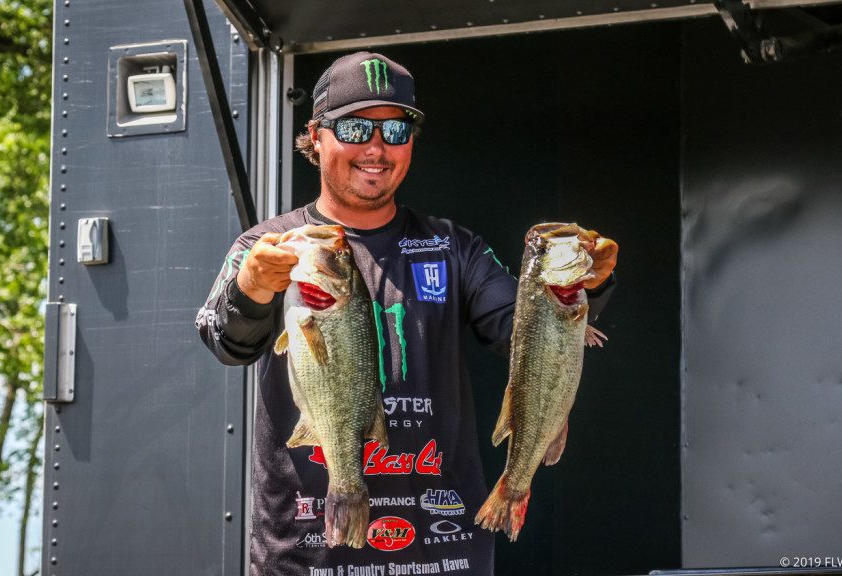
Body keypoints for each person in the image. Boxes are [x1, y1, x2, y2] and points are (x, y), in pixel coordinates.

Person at [195, 51, 618, 576]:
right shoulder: (268, 245)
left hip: (443, 554)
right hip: (304, 553)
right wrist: (252, 287)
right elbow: (223, 340)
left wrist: (587, 285)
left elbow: (525, 334)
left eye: (396, 131)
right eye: (355, 126)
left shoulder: (454, 247)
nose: (376, 147)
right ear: (317, 134)